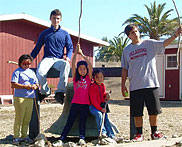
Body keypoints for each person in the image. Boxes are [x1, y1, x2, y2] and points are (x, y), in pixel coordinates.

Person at [121, 24, 182, 141]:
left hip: (151, 83)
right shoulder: (126, 50)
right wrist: (123, 84)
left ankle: (155, 132)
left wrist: (175, 34)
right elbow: (124, 69)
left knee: (153, 110)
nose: (135, 33)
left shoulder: (149, 44)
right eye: (132, 32)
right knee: (137, 112)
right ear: (129, 36)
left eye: (136, 31)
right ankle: (139, 134)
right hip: (135, 85)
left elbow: (164, 43)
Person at [30, 9, 73, 104]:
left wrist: (68, 57)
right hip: (48, 59)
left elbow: (70, 47)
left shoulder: (65, 34)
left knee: (66, 65)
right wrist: (30, 59)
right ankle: (45, 91)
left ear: (60, 20)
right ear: (50, 18)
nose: (56, 20)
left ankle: (60, 92)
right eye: (54, 18)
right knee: (40, 72)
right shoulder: (44, 33)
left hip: (59, 60)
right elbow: (37, 48)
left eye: (58, 18)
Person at [53, 43, 92, 146]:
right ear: (78, 70)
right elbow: (73, 64)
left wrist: (82, 54)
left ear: (86, 70)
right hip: (75, 103)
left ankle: (82, 138)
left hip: (85, 104)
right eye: (80, 69)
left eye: (84, 69)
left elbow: (91, 66)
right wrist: (75, 52)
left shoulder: (88, 78)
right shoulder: (75, 78)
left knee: (82, 122)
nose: (82, 70)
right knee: (70, 121)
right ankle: (62, 138)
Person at [11, 54, 39, 145]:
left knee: (27, 119)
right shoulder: (17, 72)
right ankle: (16, 137)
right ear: (20, 63)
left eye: (29, 64)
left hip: (30, 97)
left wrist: (35, 86)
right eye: (25, 63)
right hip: (20, 97)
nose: (27, 65)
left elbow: (37, 83)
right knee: (19, 118)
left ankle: (24, 136)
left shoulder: (32, 72)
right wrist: (25, 86)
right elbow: (13, 84)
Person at [89, 69, 120, 142]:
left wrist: (106, 96)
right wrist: (100, 109)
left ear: (103, 78)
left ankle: (112, 135)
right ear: (93, 78)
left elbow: (102, 96)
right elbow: (93, 101)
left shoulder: (103, 86)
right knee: (99, 115)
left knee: (106, 119)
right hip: (93, 106)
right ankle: (103, 132)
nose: (99, 79)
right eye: (97, 77)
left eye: (101, 77)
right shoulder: (92, 87)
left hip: (101, 106)